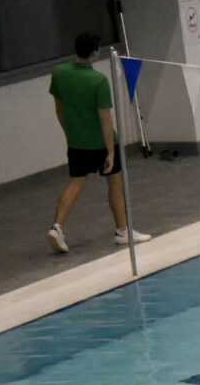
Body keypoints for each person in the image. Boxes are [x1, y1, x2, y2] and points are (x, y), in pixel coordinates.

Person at [47, 32, 148, 255]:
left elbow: (59, 108)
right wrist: (111, 152)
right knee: (114, 182)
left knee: (75, 184)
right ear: (95, 53)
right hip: (101, 143)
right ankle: (122, 231)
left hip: (76, 142)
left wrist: (68, 133)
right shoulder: (98, 81)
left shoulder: (60, 73)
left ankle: (57, 227)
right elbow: (105, 119)